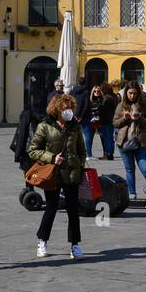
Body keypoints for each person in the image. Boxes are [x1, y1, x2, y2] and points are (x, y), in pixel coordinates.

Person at [29, 94, 87, 258]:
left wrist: (80, 163)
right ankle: (42, 240)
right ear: (56, 109)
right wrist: (52, 158)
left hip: (72, 172)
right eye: (65, 108)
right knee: (51, 207)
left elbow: (81, 150)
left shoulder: (75, 126)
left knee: (73, 209)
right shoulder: (45, 126)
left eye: (70, 108)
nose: (69, 111)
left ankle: (74, 245)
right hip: (52, 173)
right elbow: (33, 150)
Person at [114, 83, 146, 203]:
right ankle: (132, 194)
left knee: (145, 168)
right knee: (129, 169)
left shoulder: (144, 104)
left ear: (138, 93)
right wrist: (125, 118)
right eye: (130, 93)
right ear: (126, 93)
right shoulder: (121, 105)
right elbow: (115, 123)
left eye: (134, 93)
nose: (132, 96)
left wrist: (139, 119)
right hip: (124, 142)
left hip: (140, 141)